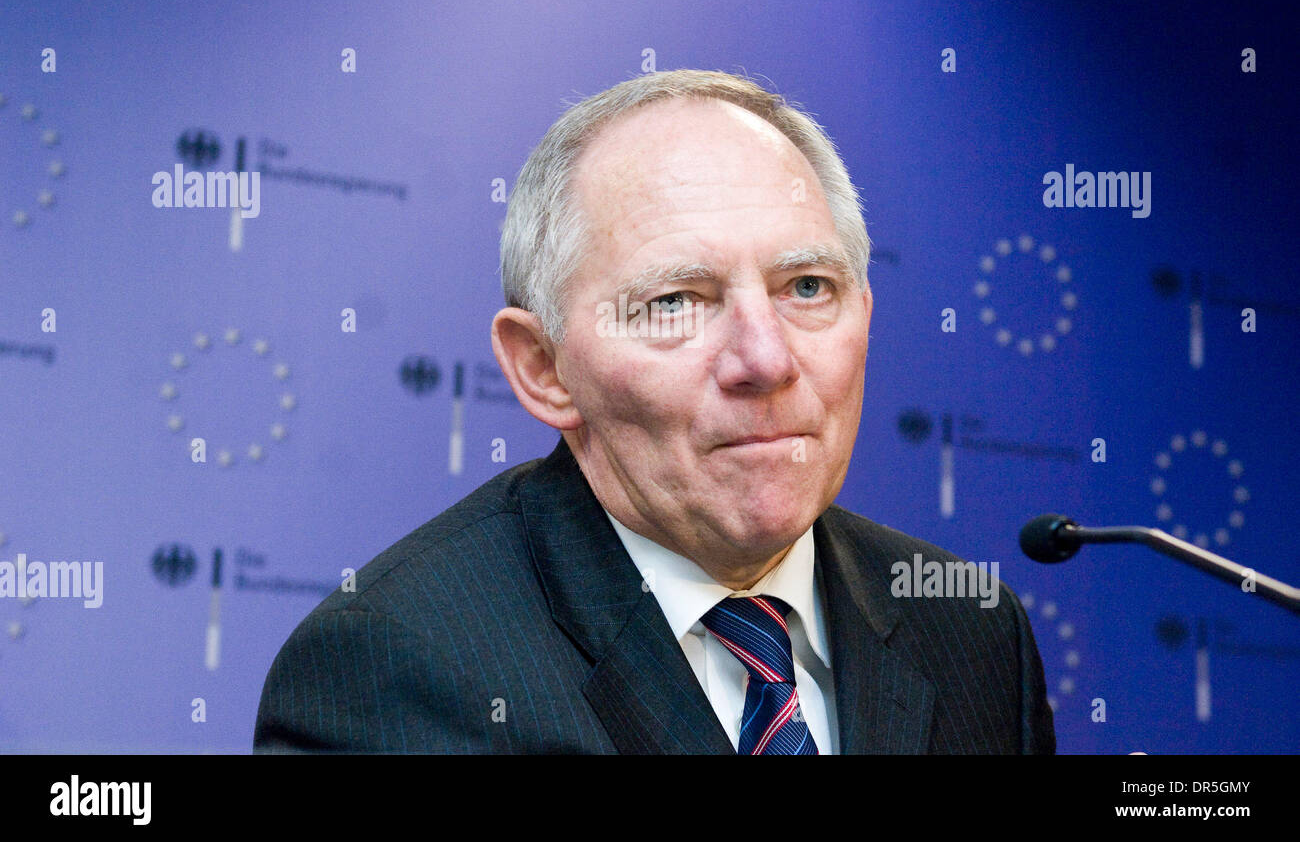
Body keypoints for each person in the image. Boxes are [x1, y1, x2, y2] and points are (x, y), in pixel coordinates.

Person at [254, 68, 1055, 754]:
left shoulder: (970, 627)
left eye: (807, 287)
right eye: (677, 301)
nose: (767, 359)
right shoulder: (397, 663)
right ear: (544, 369)